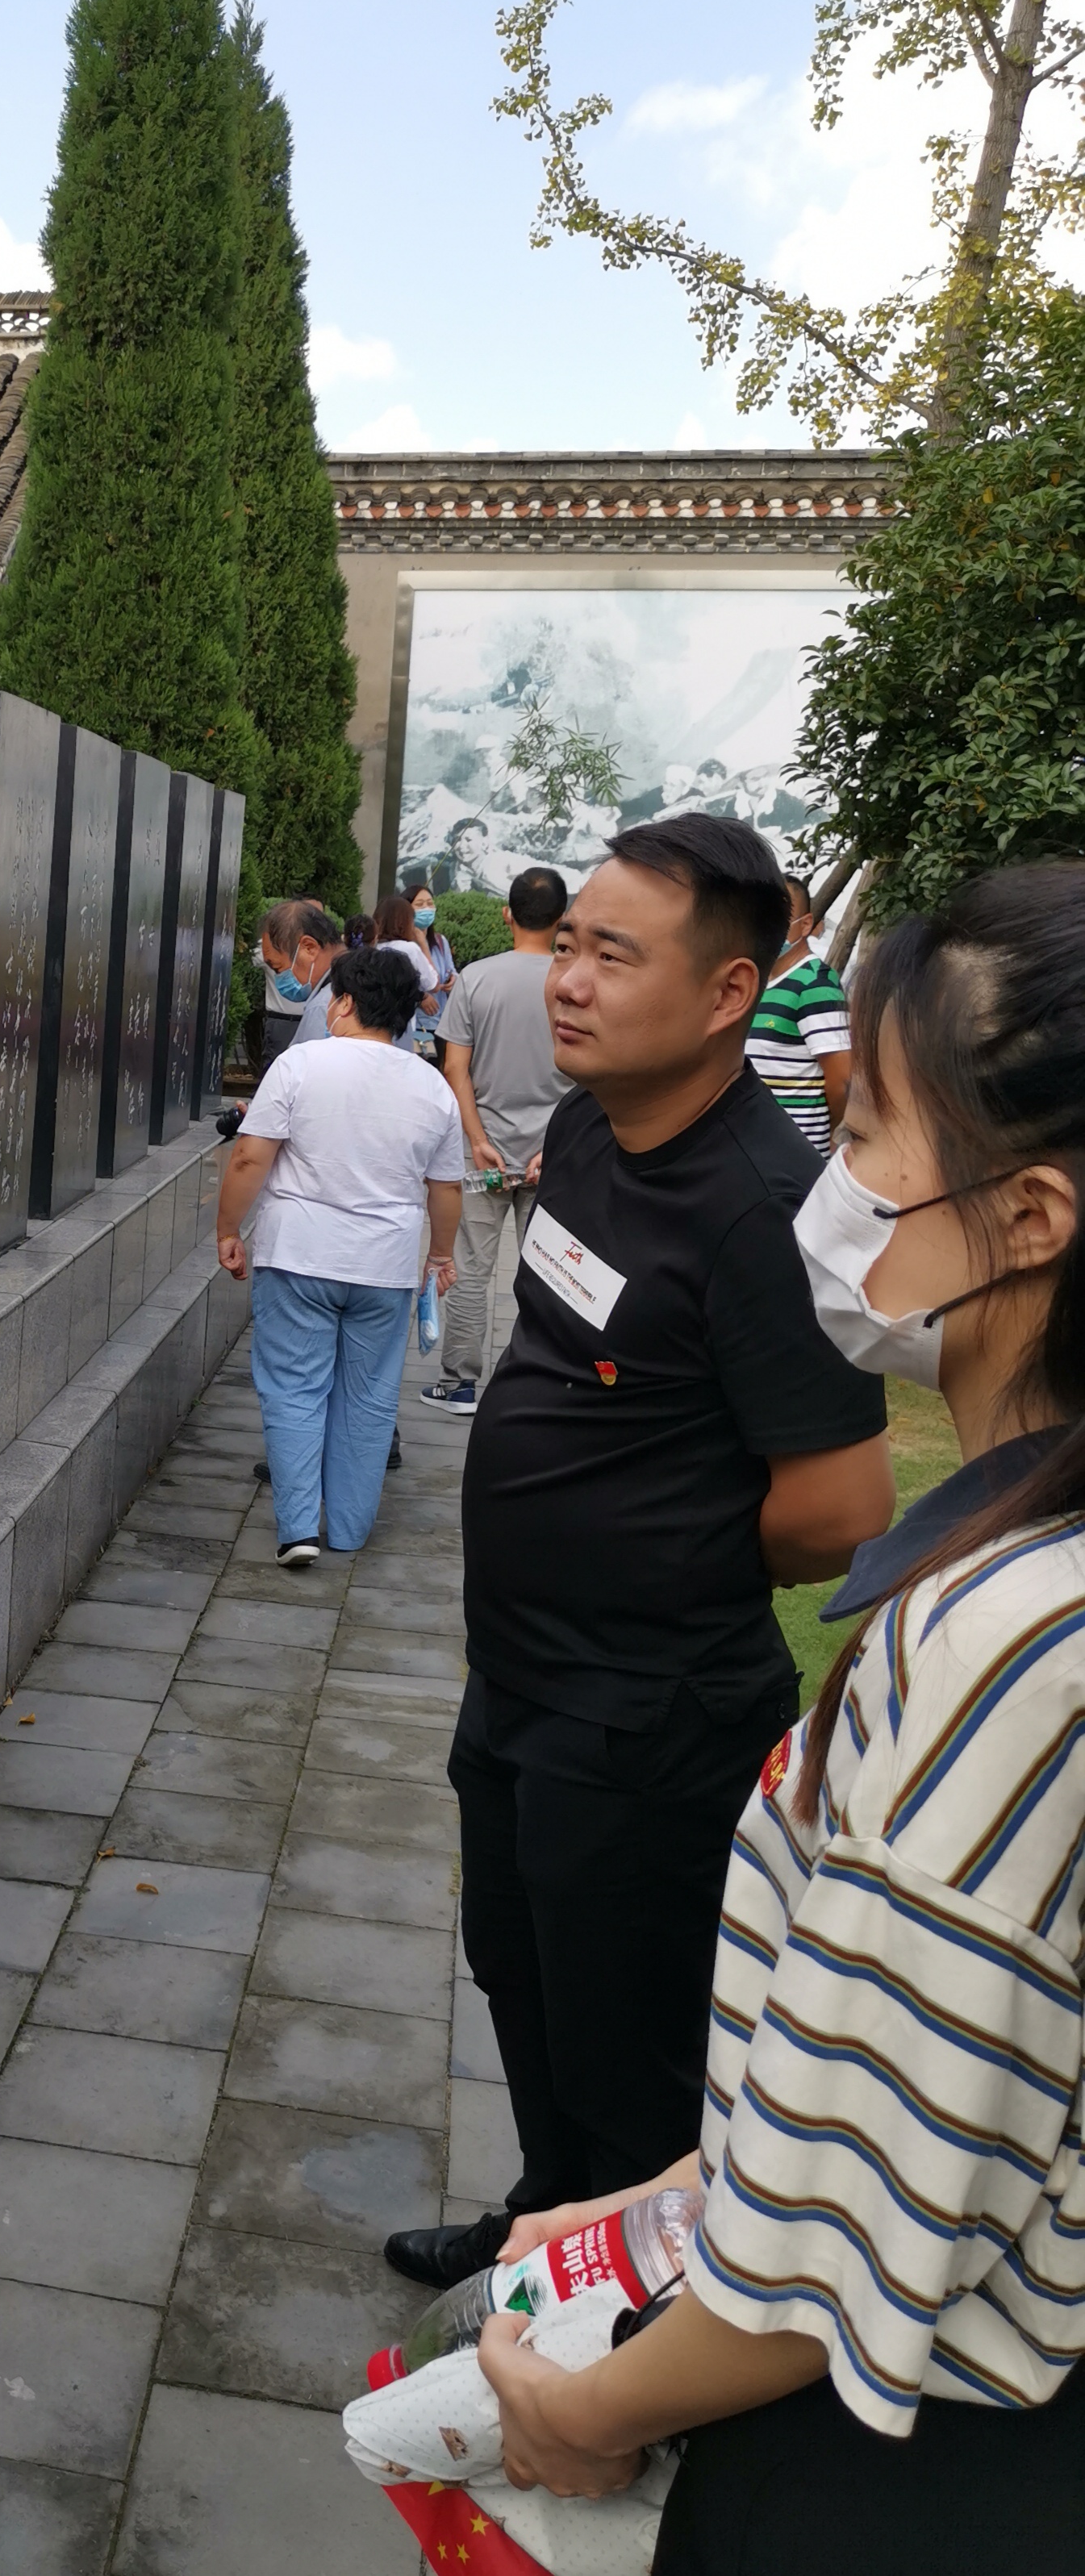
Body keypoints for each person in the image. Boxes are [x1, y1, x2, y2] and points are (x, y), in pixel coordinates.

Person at [473, 862, 1084, 2572]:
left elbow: (848, 2231)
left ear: (1031, 1212)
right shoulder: (1008, 1557)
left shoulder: (1011, 1648)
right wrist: (687, 2187)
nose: (838, 1187)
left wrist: (588, 2407)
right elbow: (913, 2066)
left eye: (869, 1130)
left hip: (905, 2449)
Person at [385, 814, 893, 2295]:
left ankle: (630, 2315)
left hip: (648, 1712)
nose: (569, 980)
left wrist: (657, 1553)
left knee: (634, 2038)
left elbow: (841, 1509)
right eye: (569, 945)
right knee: (518, 1964)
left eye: (614, 955)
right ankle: (545, 2218)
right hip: (523, 1675)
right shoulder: (595, 1126)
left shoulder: (767, 1213)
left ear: (730, 992)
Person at [215, 947, 461, 1566]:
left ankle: (299, 1530)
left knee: (294, 1389)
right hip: (385, 1267)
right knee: (369, 1397)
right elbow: (446, 1188)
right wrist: (439, 1256)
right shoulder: (432, 1087)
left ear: (345, 1002)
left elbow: (249, 1158)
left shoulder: (301, 1065)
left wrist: (228, 1229)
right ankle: (349, 1530)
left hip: (299, 1256)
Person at [418, 866, 572, 1415]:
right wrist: (555, 1147)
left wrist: (478, 1139)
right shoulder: (574, 982)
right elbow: (593, 1077)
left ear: (507, 914)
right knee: (549, 1274)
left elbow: (454, 1069)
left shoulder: (476, 979)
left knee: (468, 1268)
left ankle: (459, 1383)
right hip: (553, 1156)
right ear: (561, 919)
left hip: (481, 1153)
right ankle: (537, 1387)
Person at [745, 872, 851, 1152]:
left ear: (805, 925)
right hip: (757, 1150)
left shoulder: (815, 985)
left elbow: (842, 1081)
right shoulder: (758, 984)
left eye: (777, 918)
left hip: (798, 1154)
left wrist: (831, 1136)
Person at [255, 898, 348, 1067]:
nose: (280, 978)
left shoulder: (324, 1007)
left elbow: (310, 1075)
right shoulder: (362, 979)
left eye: (278, 968)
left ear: (309, 947)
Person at [373, 894, 441, 1050]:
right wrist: (423, 944)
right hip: (402, 1026)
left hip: (374, 1024)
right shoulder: (410, 949)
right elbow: (433, 984)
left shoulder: (373, 948)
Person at [407, 884, 457, 1060]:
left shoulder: (440, 942)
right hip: (414, 1026)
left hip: (441, 1025)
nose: (426, 909)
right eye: (419, 905)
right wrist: (420, 997)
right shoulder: (404, 946)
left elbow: (451, 970)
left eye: (430, 903)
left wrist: (453, 980)